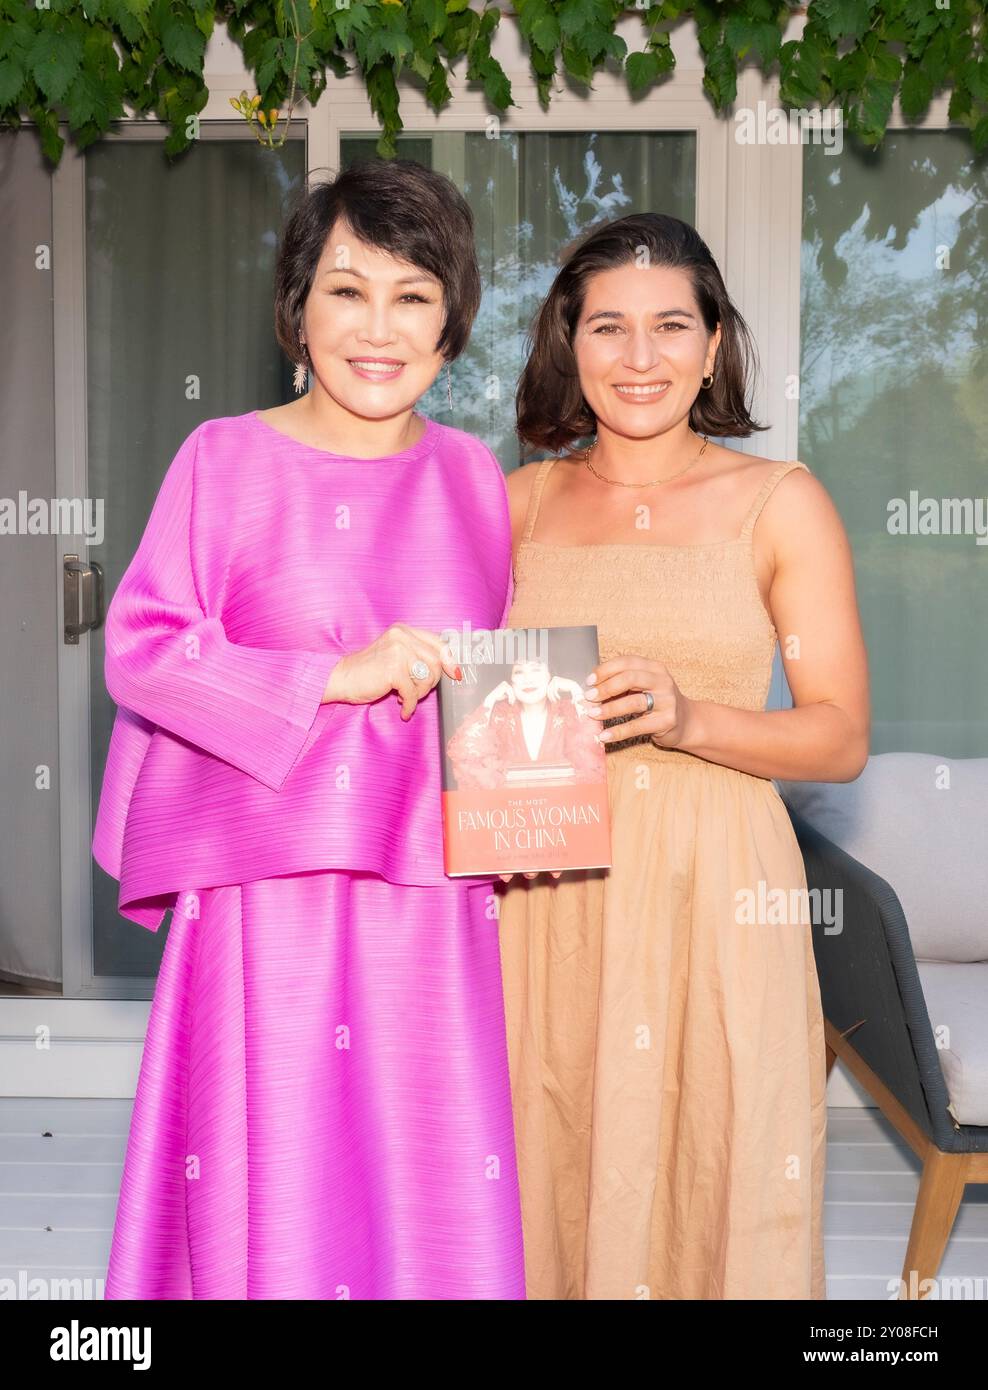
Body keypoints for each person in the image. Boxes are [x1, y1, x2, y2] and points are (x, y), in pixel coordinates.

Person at [92, 159, 525, 1300]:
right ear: (297, 305)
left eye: (413, 295)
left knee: (426, 1172)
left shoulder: (477, 478)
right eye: (347, 289)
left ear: (451, 321)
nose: (376, 328)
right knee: (279, 1186)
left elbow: (494, 681)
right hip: (264, 897)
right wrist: (336, 674)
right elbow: (142, 648)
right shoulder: (223, 460)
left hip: (430, 904)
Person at [495, 211, 870, 1300]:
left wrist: (687, 715)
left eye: (670, 325)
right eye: (607, 326)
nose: (639, 356)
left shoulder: (779, 502)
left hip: (717, 892)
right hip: (545, 895)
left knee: (716, 1157)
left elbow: (839, 734)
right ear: (569, 345)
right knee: (548, 1151)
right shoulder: (511, 504)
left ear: (713, 345)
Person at [445, 657, 604, 789]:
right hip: (509, 816)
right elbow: (466, 760)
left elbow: (596, 756)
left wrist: (575, 690)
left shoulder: (569, 712)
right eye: (519, 672)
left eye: (536, 669)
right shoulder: (498, 717)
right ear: (510, 681)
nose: (528, 679)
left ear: (551, 676)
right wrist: (490, 700)